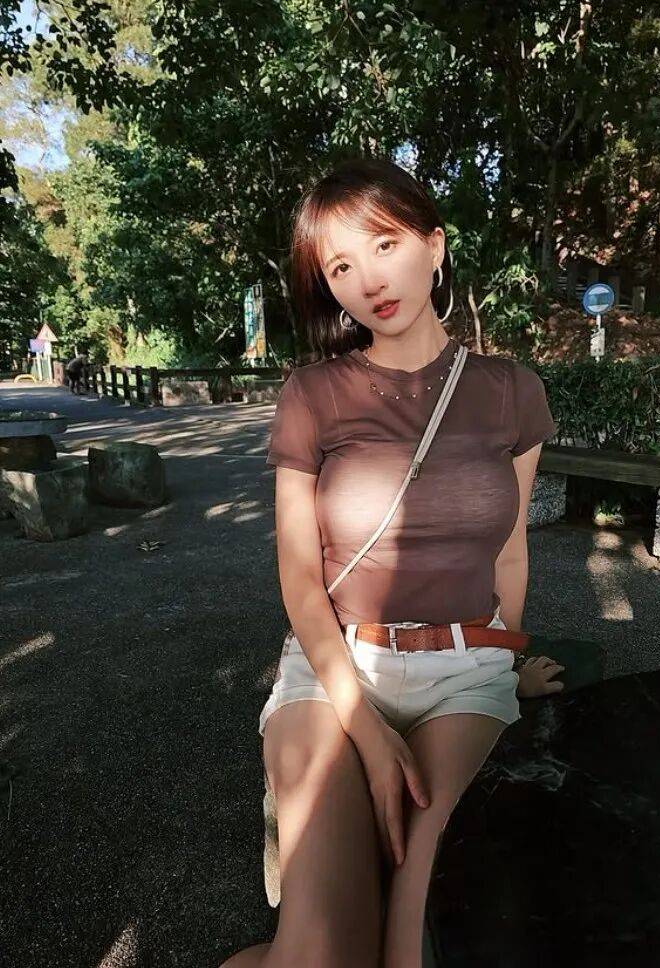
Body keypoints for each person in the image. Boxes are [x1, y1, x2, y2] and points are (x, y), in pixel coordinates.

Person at [221, 157, 565, 968]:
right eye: (340, 266)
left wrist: (505, 659)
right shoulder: (312, 395)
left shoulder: (512, 391)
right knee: (320, 953)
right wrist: (369, 735)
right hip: (336, 670)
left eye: (383, 244)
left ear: (433, 246)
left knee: (423, 943)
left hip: (464, 673)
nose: (368, 278)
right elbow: (300, 577)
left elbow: (509, 550)